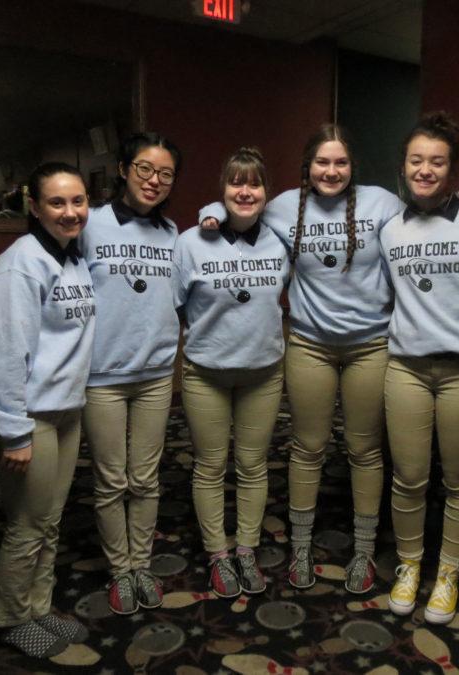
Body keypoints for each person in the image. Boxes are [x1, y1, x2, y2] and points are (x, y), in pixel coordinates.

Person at [200, 124, 459, 594]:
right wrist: (211, 211)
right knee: (307, 448)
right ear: (307, 167)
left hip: (371, 345)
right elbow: (238, 209)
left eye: (341, 163)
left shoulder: (382, 204)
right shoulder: (283, 207)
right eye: (322, 163)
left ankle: (365, 549)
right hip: (310, 344)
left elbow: (433, 209)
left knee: (364, 450)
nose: (331, 172)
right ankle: (302, 546)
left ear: (353, 167)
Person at [379, 112, 459, 622]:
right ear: (403, 166)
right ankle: (410, 565)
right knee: (407, 477)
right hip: (405, 366)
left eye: (437, 162)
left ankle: (447, 572)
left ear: (452, 170)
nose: (425, 170)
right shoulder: (389, 230)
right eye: (416, 160)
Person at [0, 162, 95, 658]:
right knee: (27, 523)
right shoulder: (20, 265)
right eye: (57, 202)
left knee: (49, 519)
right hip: (30, 417)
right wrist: (14, 433)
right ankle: (7, 618)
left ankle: (38, 606)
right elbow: (6, 353)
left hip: (66, 410)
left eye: (78, 201)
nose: (70, 213)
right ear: (34, 207)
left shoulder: (73, 257)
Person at [175, 147, 290, 597]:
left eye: (254, 183)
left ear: (266, 192)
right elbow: (177, 307)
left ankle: (245, 548)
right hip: (207, 372)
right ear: (222, 191)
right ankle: (218, 554)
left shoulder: (279, 239)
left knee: (252, 464)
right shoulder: (190, 242)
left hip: (263, 371)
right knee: (210, 466)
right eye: (235, 182)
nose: (245, 191)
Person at [79, 132, 182, 615]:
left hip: (157, 373)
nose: (153, 180)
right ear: (123, 169)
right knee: (110, 479)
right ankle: (119, 569)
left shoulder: (172, 234)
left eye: (164, 173)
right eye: (144, 168)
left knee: (145, 478)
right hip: (102, 374)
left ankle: (140, 565)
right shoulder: (90, 224)